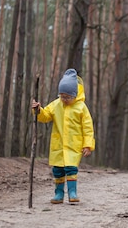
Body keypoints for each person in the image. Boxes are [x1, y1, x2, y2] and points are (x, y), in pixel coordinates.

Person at [31, 69, 95, 204]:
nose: (64, 99)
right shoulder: (56, 104)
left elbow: (88, 128)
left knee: (71, 169)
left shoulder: (81, 107)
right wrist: (38, 110)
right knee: (58, 170)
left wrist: (88, 145)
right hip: (58, 145)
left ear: (74, 95)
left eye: (67, 97)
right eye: (62, 96)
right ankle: (58, 194)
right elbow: (45, 116)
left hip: (74, 145)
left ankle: (72, 192)